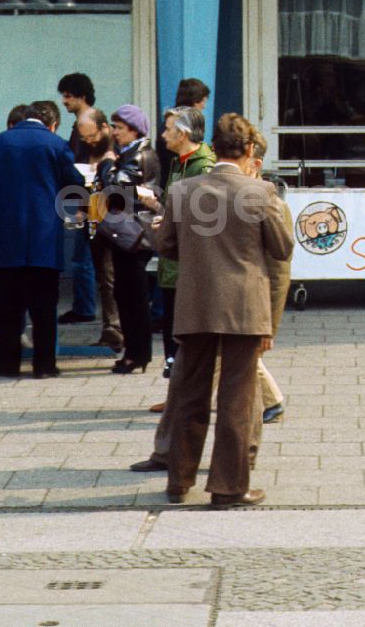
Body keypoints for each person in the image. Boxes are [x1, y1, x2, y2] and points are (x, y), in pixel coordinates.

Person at [153, 113, 294, 507]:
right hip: (245, 307)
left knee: (188, 394)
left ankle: (178, 481)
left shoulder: (184, 190)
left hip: (196, 303)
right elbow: (282, 248)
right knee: (236, 398)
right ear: (250, 150)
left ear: (212, 148)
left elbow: (164, 245)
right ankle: (230, 487)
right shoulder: (259, 192)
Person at [0, 101, 82, 379]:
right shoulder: (56, 144)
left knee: (9, 306)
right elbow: (74, 185)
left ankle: (7, 364)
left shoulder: (0, 142)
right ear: (52, 123)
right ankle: (44, 366)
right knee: (44, 306)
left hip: (7, 234)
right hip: (44, 236)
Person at [149, 106, 216, 377]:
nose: (163, 135)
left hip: (188, 267)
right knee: (172, 334)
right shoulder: (179, 162)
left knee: (186, 337)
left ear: (184, 133)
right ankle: (175, 396)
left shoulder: (203, 166)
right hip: (172, 264)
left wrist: (167, 222)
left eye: (168, 129)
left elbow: (205, 219)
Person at [96, 104, 160, 374]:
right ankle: (135, 353)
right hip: (129, 232)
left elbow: (115, 189)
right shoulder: (134, 152)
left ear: (134, 131)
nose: (115, 133)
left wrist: (107, 163)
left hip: (132, 235)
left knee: (132, 296)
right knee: (126, 293)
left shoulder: (137, 156)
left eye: (120, 128)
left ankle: (137, 354)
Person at [76, 108, 123, 352]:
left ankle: (115, 327)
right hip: (92, 219)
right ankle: (110, 326)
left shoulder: (117, 150)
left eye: (92, 136)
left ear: (104, 127)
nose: (89, 141)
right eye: (84, 138)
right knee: (104, 278)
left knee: (111, 276)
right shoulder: (85, 150)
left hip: (114, 223)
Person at [56, 73, 97, 326]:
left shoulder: (86, 123)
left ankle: (84, 307)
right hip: (83, 196)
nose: (64, 101)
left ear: (82, 96)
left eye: (68, 95)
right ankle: (84, 305)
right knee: (82, 254)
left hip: (84, 197)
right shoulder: (85, 121)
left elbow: (81, 162)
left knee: (82, 255)